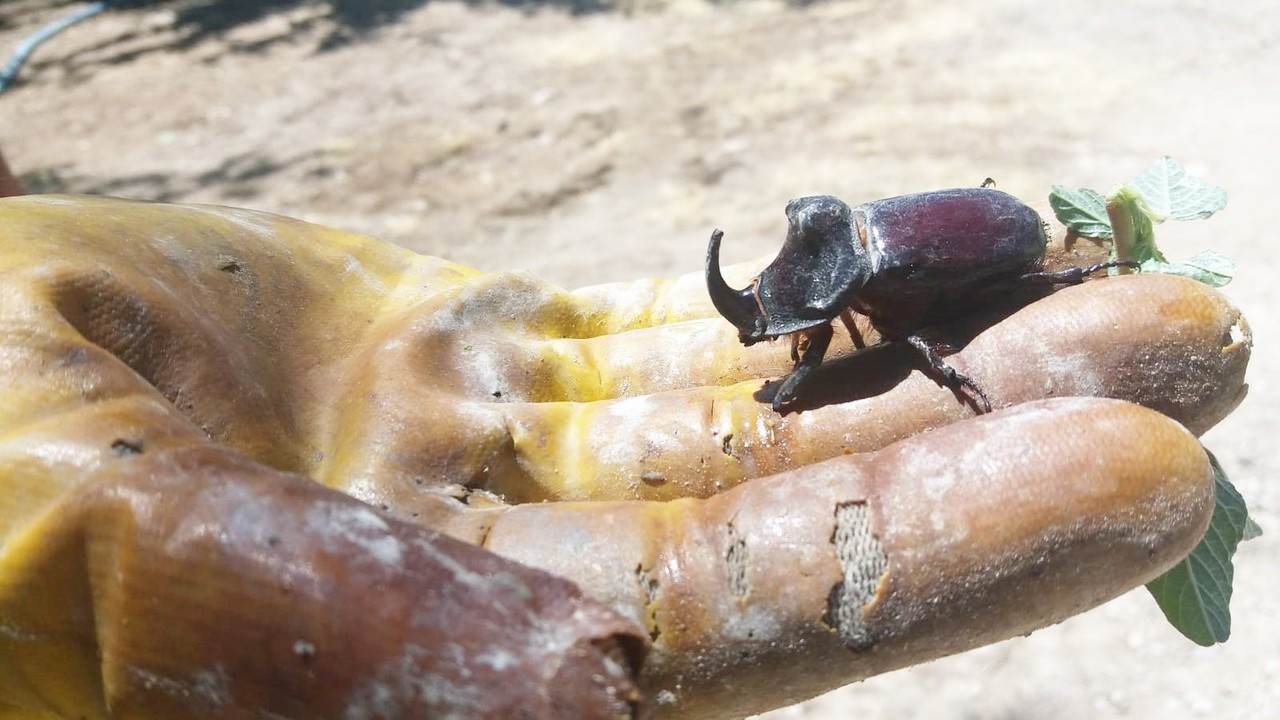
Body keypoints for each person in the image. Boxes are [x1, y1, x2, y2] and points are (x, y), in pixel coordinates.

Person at [0, 194, 1250, 719]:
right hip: (911, 251)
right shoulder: (841, 275)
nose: (769, 323)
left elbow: (920, 307)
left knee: (963, 344)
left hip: (994, 245)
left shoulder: (873, 278)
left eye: (780, 314)